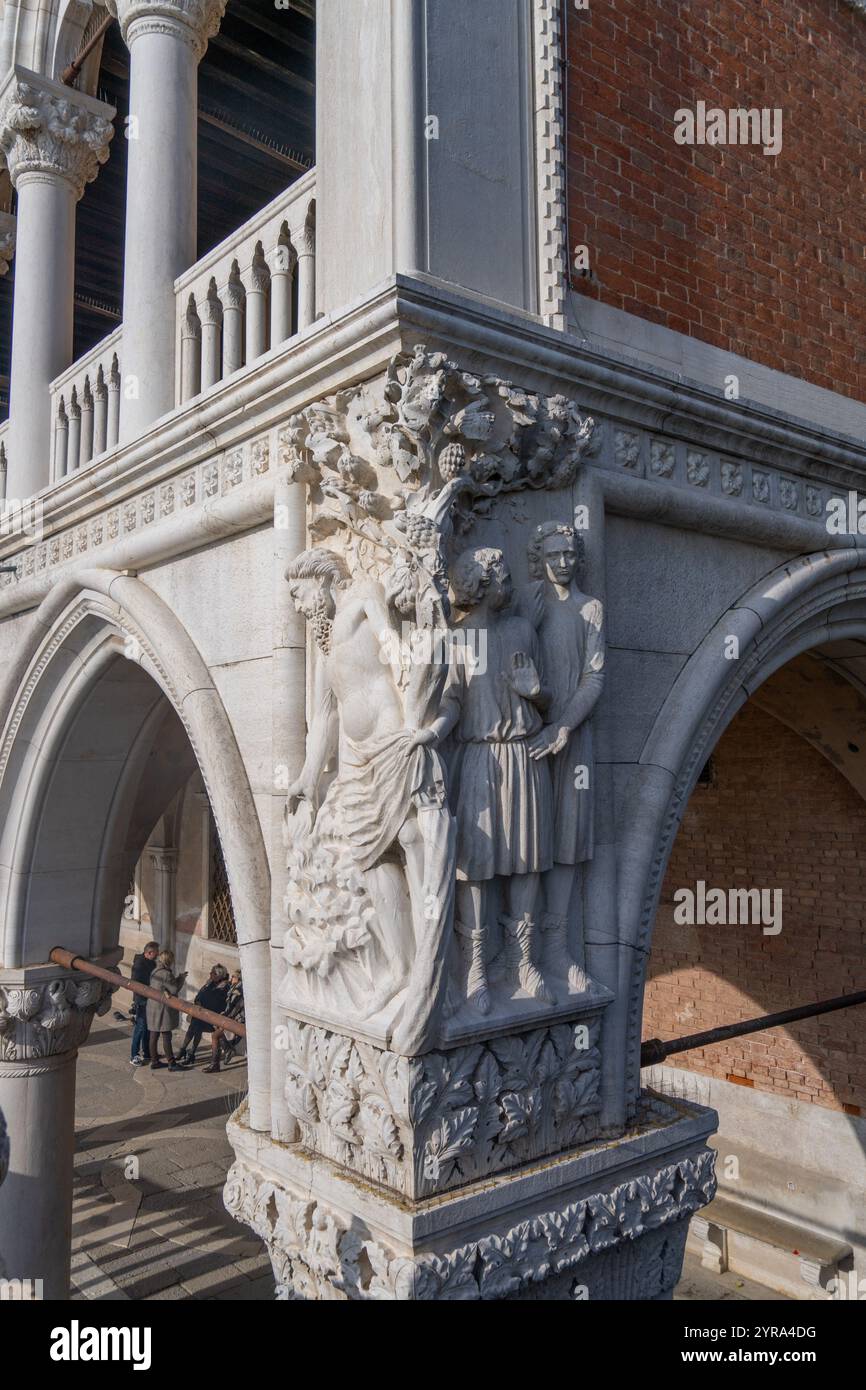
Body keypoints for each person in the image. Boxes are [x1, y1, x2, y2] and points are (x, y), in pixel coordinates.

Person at [176, 964, 230, 1067]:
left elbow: (216, 1003)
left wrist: (203, 1004)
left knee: (196, 1027)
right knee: (194, 1026)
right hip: (202, 1014)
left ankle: (189, 1053)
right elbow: (200, 995)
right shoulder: (210, 983)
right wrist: (199, 1001)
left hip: (212, 1018)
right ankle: (186, 1051)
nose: (210, 974)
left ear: (219, 975)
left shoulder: (224, 987)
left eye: (212, 973)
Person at [146, 950, 187, 1071]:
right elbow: (174, 990)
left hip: (152, 1006)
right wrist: (181, 978)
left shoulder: (155, 970)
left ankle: (154, 1061)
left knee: (153, 1034)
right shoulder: (166, 974)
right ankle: (171, 1063)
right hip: (162, 1008)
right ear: (169, 960)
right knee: (166, 1035)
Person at [204, 969, 244, 1073]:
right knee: (215, 1027)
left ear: (239, 978)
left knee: (215, 1035)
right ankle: (227, 1050)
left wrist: (226, 1017)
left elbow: (236, 1007)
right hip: (231, 1017)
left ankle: (215, 1064)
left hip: (237, 1020)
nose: (231, 979)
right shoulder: (234, 988)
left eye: (233, 977)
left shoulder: (239, 990)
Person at [129, 941, 159, 1066]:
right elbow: (136, 984)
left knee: (147, 1027)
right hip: (142, 1000)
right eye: (155, 954)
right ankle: (134, 1055)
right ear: (149, 952)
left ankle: (147, 1052)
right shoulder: (139, 965)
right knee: (140, 1027)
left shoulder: (151, 962)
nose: (157, 956)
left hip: (149, 999)